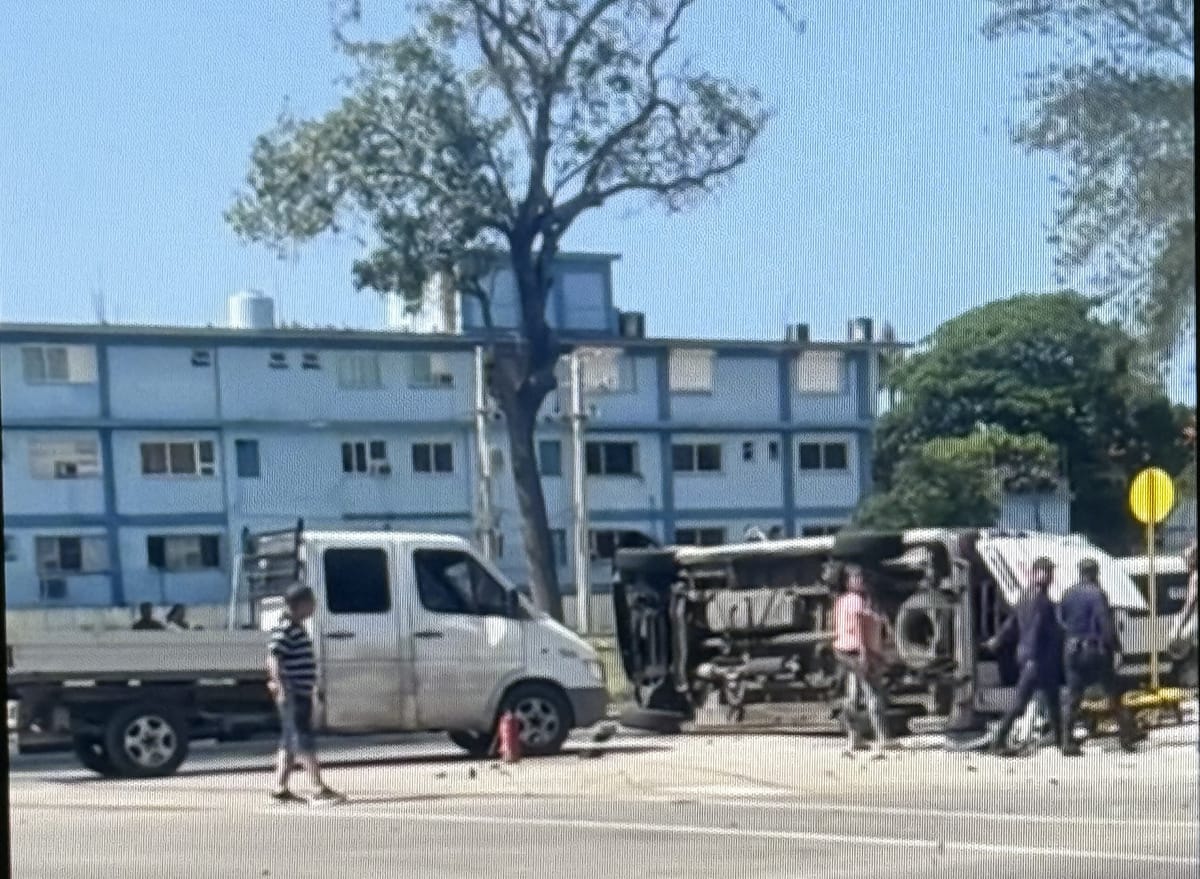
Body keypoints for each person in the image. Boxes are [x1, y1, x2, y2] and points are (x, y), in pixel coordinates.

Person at [1059, 557, 1143, 755]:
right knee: (1114, 693)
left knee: (1073, 697)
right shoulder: (1098, 594)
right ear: (1095, 573)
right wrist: (1117, 649)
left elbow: (1061, 620)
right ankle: (1127, 737)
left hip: (1072, 651)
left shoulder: (1068, 594)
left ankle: (1067, 742)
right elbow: (1106, 625)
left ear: (1080, 572)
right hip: (1095, 651)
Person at [268, 584, 342, 803]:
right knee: (302, 739)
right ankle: (318, 788)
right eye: (311, 603)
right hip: (292, 693)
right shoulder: (286, 629)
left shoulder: (296, 627)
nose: (314, 607)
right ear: (300, 605)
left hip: (300, 691)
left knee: (289, 742)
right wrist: (280, 685)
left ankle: (279, 789)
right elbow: (273, 657)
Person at [984, 556, 1064, 755]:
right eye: (1046, 572)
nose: (1049, 576)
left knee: (1052, 697)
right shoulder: (1040, 599)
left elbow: (1011, 623)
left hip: (1030, 655)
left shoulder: (1026, 595)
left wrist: (997, 641)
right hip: (1037, 658)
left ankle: (1060, 738)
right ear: (1038, 574)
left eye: (1050, 571)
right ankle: (998, 741)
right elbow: (1037, 628)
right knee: (1020, 702)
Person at [831, 564, 892, 757]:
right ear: (848, 582)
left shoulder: (840, 601)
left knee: (852, 695)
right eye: (856, 578)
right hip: (857, 652)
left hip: (842, 651)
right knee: (872, 693)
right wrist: (865, 652)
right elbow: (859, 628)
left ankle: (853, 738)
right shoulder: (857, 601)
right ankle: (882, 739)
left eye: (861, 577)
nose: (860, 581)